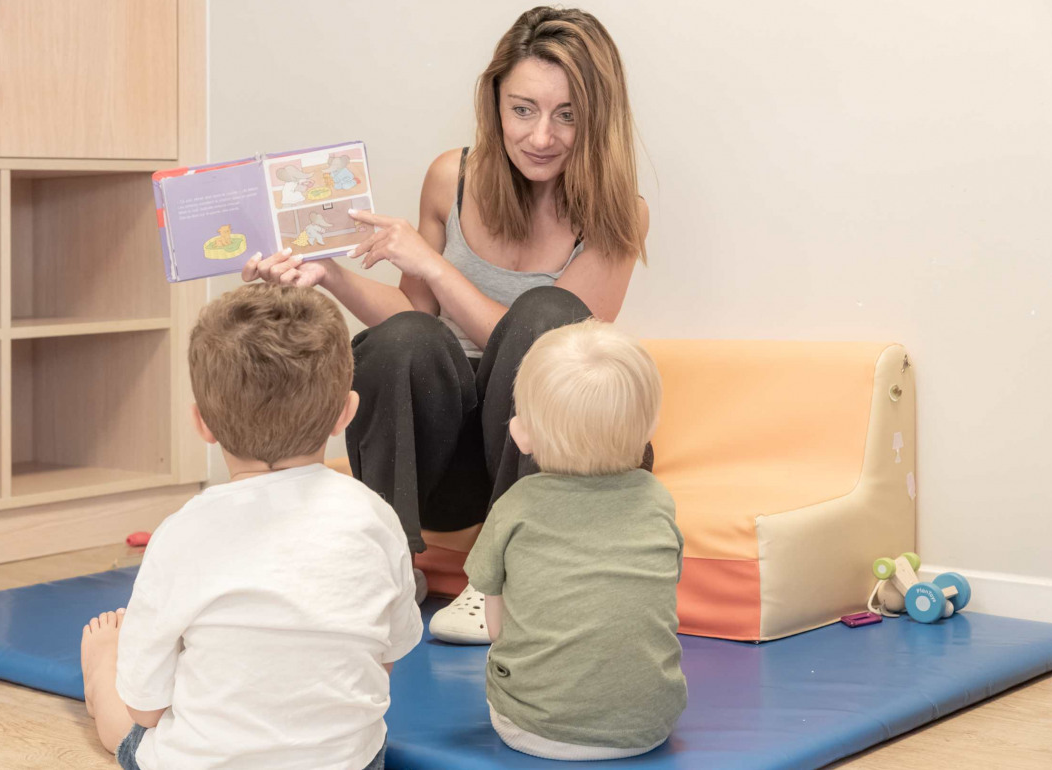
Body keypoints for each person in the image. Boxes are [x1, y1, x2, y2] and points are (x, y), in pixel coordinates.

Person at [244, 6, 649, 641]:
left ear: (598, 118)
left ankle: (502, 578)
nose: (542, 135)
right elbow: (412, 325)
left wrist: (433, 265)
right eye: (523, 110)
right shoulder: (450, 177)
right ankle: (389, 567)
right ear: (495, 103)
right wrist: (331, 274)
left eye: (567, 114)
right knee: (404, 338)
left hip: (550, 450)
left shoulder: (619, 213)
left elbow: (553, 360)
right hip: (453, 465)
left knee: (547, 316)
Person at [79, 285, 422, 770]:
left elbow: (146, 708)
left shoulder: (182, 532)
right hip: (348, 764)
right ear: (345, 413)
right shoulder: (376, 517)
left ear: (202, 424)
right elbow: (387, 657)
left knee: (126, 727)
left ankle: (98, 668)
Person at [464, 319, 686, 760]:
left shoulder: (516, 504)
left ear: (521, 433)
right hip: (649, 725)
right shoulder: (658, 499)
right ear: (650, 428)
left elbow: (494, 620)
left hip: (531, 728)